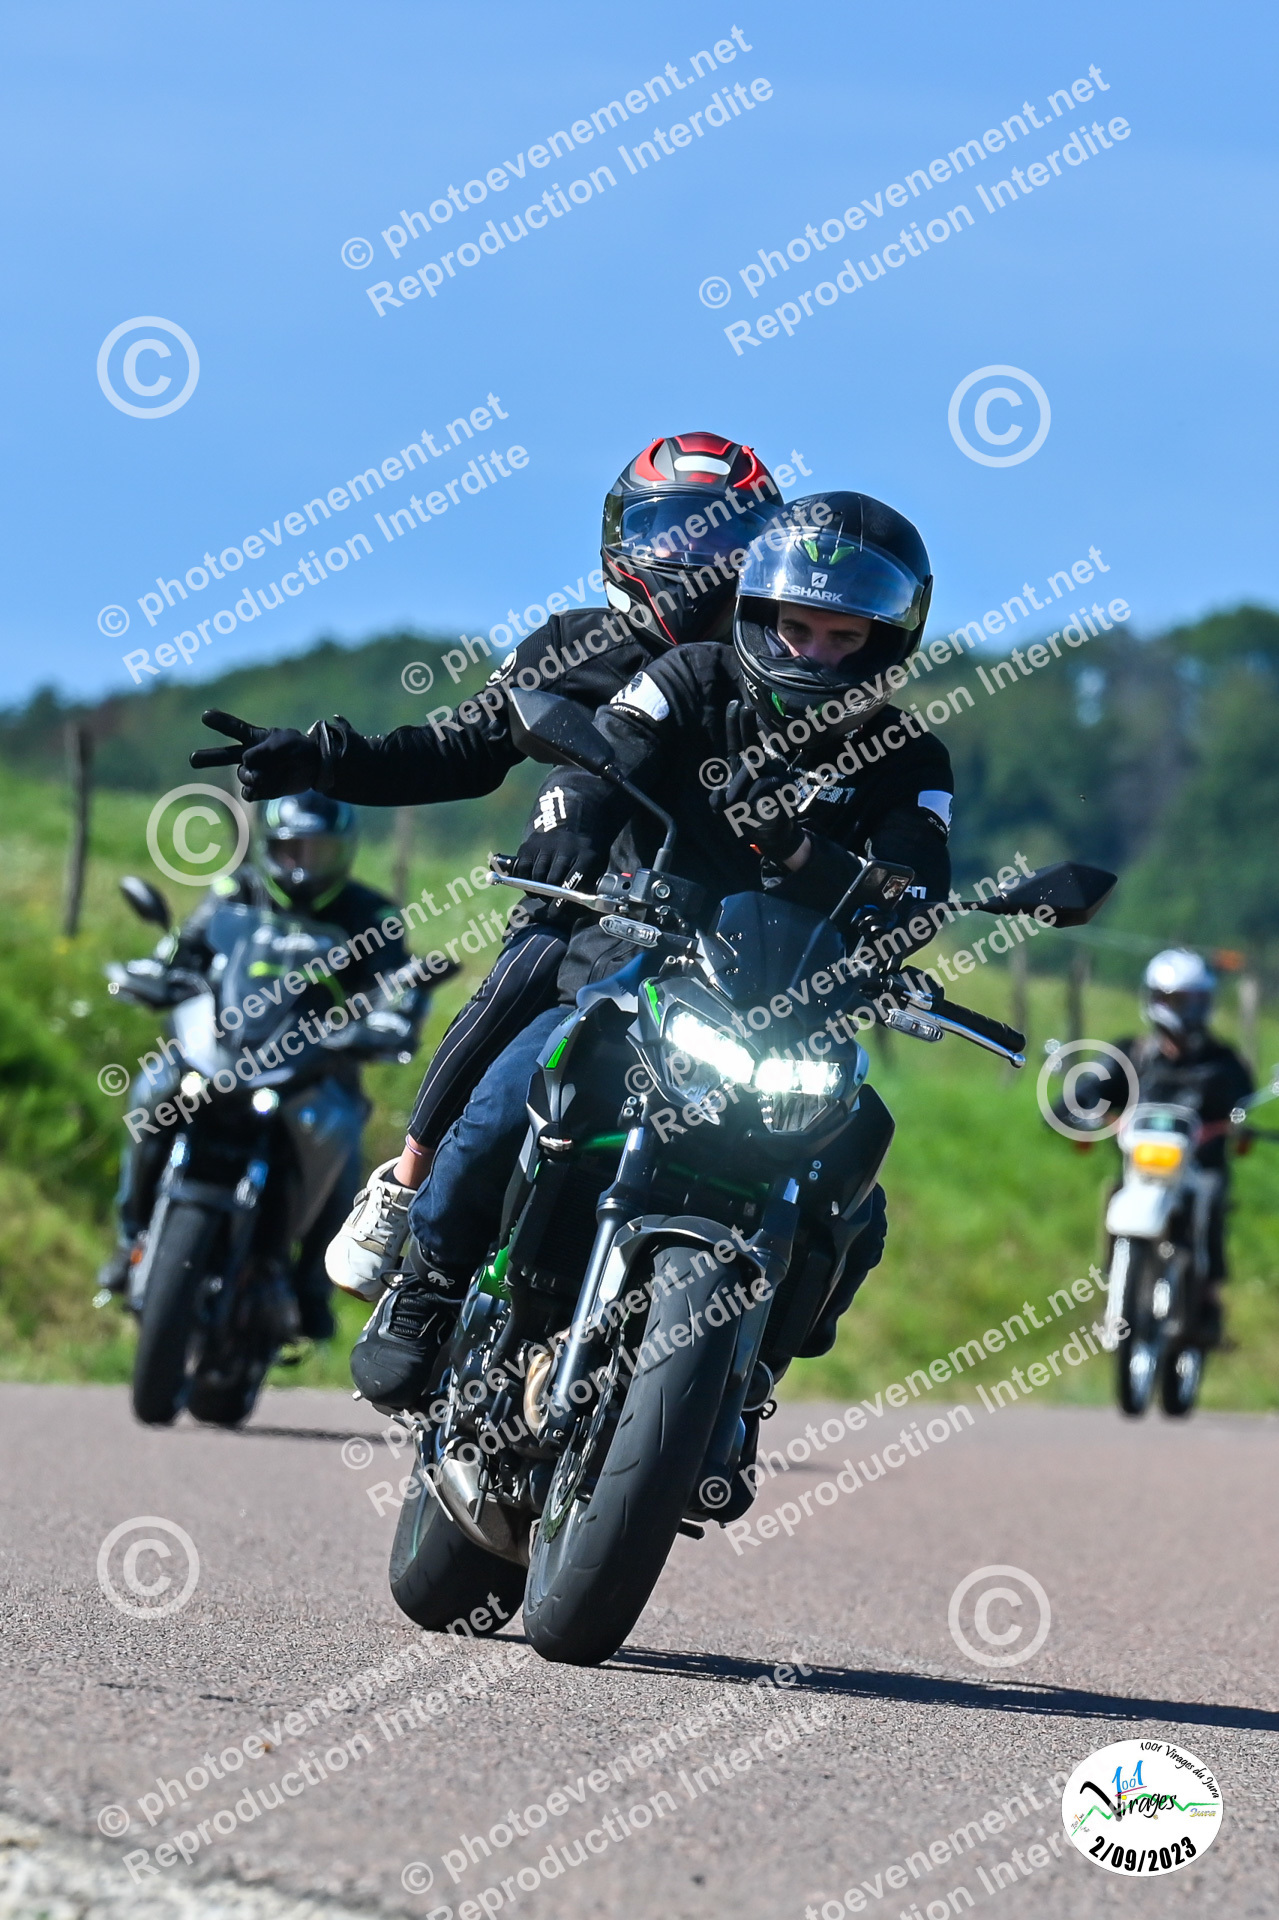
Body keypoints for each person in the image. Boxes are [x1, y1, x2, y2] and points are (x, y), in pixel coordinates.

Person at [351, 489, 952, 1408]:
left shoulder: (908, 757)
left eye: (844, 639)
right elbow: (605, 762)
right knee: (511, 1097)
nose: (813, 654)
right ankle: (428, 1284)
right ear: (757, 613)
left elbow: (914, 886)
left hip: (787, 1005)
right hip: (634, 961)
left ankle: (746, 1377)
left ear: (886, 643)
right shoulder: (691, 678)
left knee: (856, 1166)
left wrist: (798, 851)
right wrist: (568, 828)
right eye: (796, 628)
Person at [192, 435, 782, 1304]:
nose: (697, 558)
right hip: (587, 904)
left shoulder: (785, 674)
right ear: (620, 542)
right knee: (528, 974)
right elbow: (455, 748)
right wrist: (323, 760)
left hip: (731, 941)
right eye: (673, 532)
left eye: (726, 535)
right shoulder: (572, 645)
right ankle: (405, 1183)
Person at [98, 792, 407, 1340]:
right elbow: (185, 949)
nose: (303, 864)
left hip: (317, 1069)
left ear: (343, 852)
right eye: (292, 849)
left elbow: (397, 986)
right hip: (222, 1049)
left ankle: (313, 1287)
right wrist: (156, 972)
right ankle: (130, 1239)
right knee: (150, 1091)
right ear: (269, 845)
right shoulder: (235, 891)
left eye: (318, 851)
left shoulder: (372, 915)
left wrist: (388, 1020)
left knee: (342, 1145)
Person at [1064, 949, 1253, 1346]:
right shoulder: (1132, 1056)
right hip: (1143, 1172)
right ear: (1156, 999)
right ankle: (1116, 1288)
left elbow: (1245, 1110)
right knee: (1115, 1193)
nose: (1189, 1011)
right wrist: (1095, 1116)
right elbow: (1086, 1093)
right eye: (1179, 1000)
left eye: (1196, 1000)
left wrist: (1235, 1128)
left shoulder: (1224, 1064)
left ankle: (1207, 1298)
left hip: (1198, 1170)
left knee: (1211, 1197)